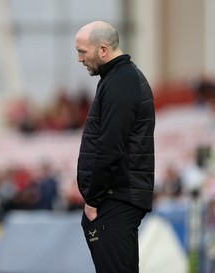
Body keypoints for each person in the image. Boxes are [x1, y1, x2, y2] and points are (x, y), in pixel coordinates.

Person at [75, 21, 155, 273]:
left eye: (82, 52)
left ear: (102, 50)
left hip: (116, 198)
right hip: (119, 197)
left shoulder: (121, 81)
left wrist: (93, 199)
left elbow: (110, 147)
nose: (79, 59)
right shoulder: (119, 78)